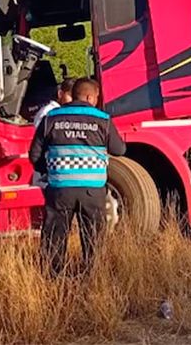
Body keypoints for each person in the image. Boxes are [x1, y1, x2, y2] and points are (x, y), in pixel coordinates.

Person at [28, 77, 125, 274]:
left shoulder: (51, 119)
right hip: (93, 190)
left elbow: (34, 155)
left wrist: (50, 171)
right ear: (90, 96)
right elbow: (119, 149)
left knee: (55, 236)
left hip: (60, 188)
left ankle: (52, 277)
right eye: (96, 97)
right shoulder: (102, 120)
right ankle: (93, 276)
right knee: (93, 238)